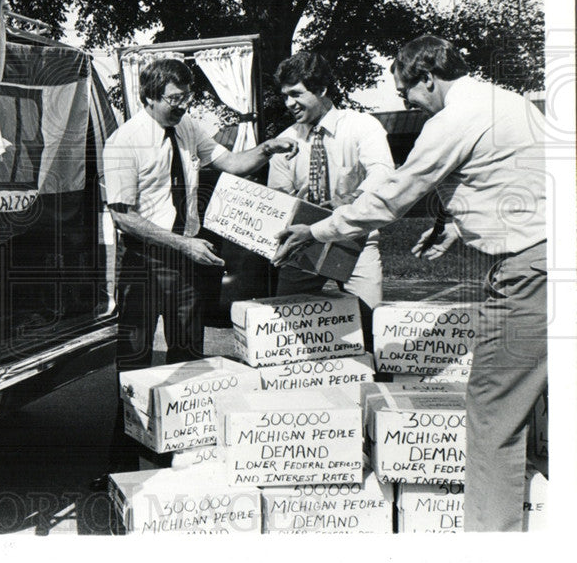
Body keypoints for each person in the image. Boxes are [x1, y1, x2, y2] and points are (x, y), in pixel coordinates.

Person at [273, 35, 547, 532]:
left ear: (428, 77)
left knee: (492, 413)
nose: (411, 105)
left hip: (528, 272)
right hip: (551, 255)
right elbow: (510, 178)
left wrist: (316, 230)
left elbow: (394, 194)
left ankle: (490, 542)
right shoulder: (507, 100)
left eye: (409, 94)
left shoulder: (452, 118)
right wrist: (455, 222)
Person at [96, 58, 296, 484]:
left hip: (185, 262)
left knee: (189, 362)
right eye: (173, 99)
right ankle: (122, 470)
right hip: (144, 263)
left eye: (186, 97)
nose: (182, 105)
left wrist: (267, 148)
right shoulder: (123, 142)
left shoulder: (188, 128)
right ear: (149, 96)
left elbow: (232, 163)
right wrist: (183, 243)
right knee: (133, 368)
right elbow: (123, 217)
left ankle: (184, 465)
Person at [268, 52, 395, 353]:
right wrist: (290, 203)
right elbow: (277, 198)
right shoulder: (285, 140)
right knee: (286, 329)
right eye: (285, 96)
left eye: (296, 94)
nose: (289, 104)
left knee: (372, 329)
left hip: (354, 240)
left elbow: (384, 172)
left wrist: (349, 198)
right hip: (301, 245)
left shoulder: (363, 125)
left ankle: (375, 391)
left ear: (322, 89)